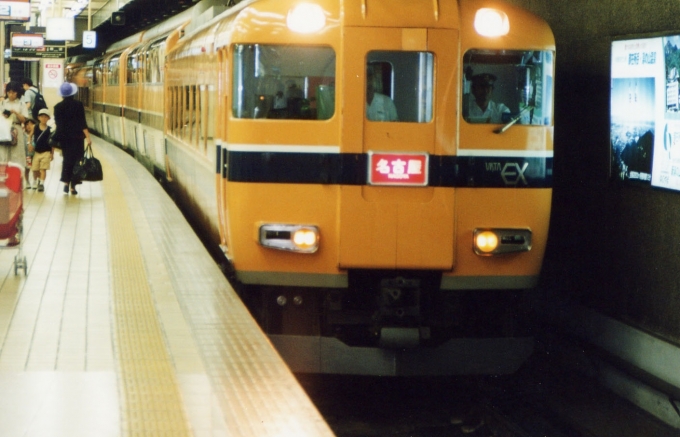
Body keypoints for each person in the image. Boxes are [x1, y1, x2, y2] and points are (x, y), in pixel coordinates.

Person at [53, 82, 92, 195]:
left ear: (62, 95)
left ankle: (65, 183)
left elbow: (58, 124)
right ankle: (72, 187)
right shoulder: (78, 105)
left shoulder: (57, 107)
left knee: (67, 160)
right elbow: (82, 123)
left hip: (64, 138)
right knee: (76, 162)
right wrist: (88, 137)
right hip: (77, 138)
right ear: (73, 94)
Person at [30, 109, 54, 192]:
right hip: (37, 152)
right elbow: (30, 136)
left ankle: (41, 183)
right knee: (35, 168)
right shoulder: (35, 127)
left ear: (48, 118)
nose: (43, 118)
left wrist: (52, 153)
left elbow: (52, 143)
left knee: (43, 169)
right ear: (38, 117)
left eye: (45, 117)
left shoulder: (50, 129)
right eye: (42, 116)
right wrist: (29, 144)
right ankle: (36, 181)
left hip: (46, 152)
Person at [23, 118, 36, 189]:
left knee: (35, 168)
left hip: (35, 154)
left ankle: (35, 181)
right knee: (27, 169)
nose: (29, 126)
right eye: (27, 124)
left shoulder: (35, 135)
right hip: (27, 154)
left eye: (31, 124)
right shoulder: (23, 134)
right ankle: (27, 181)